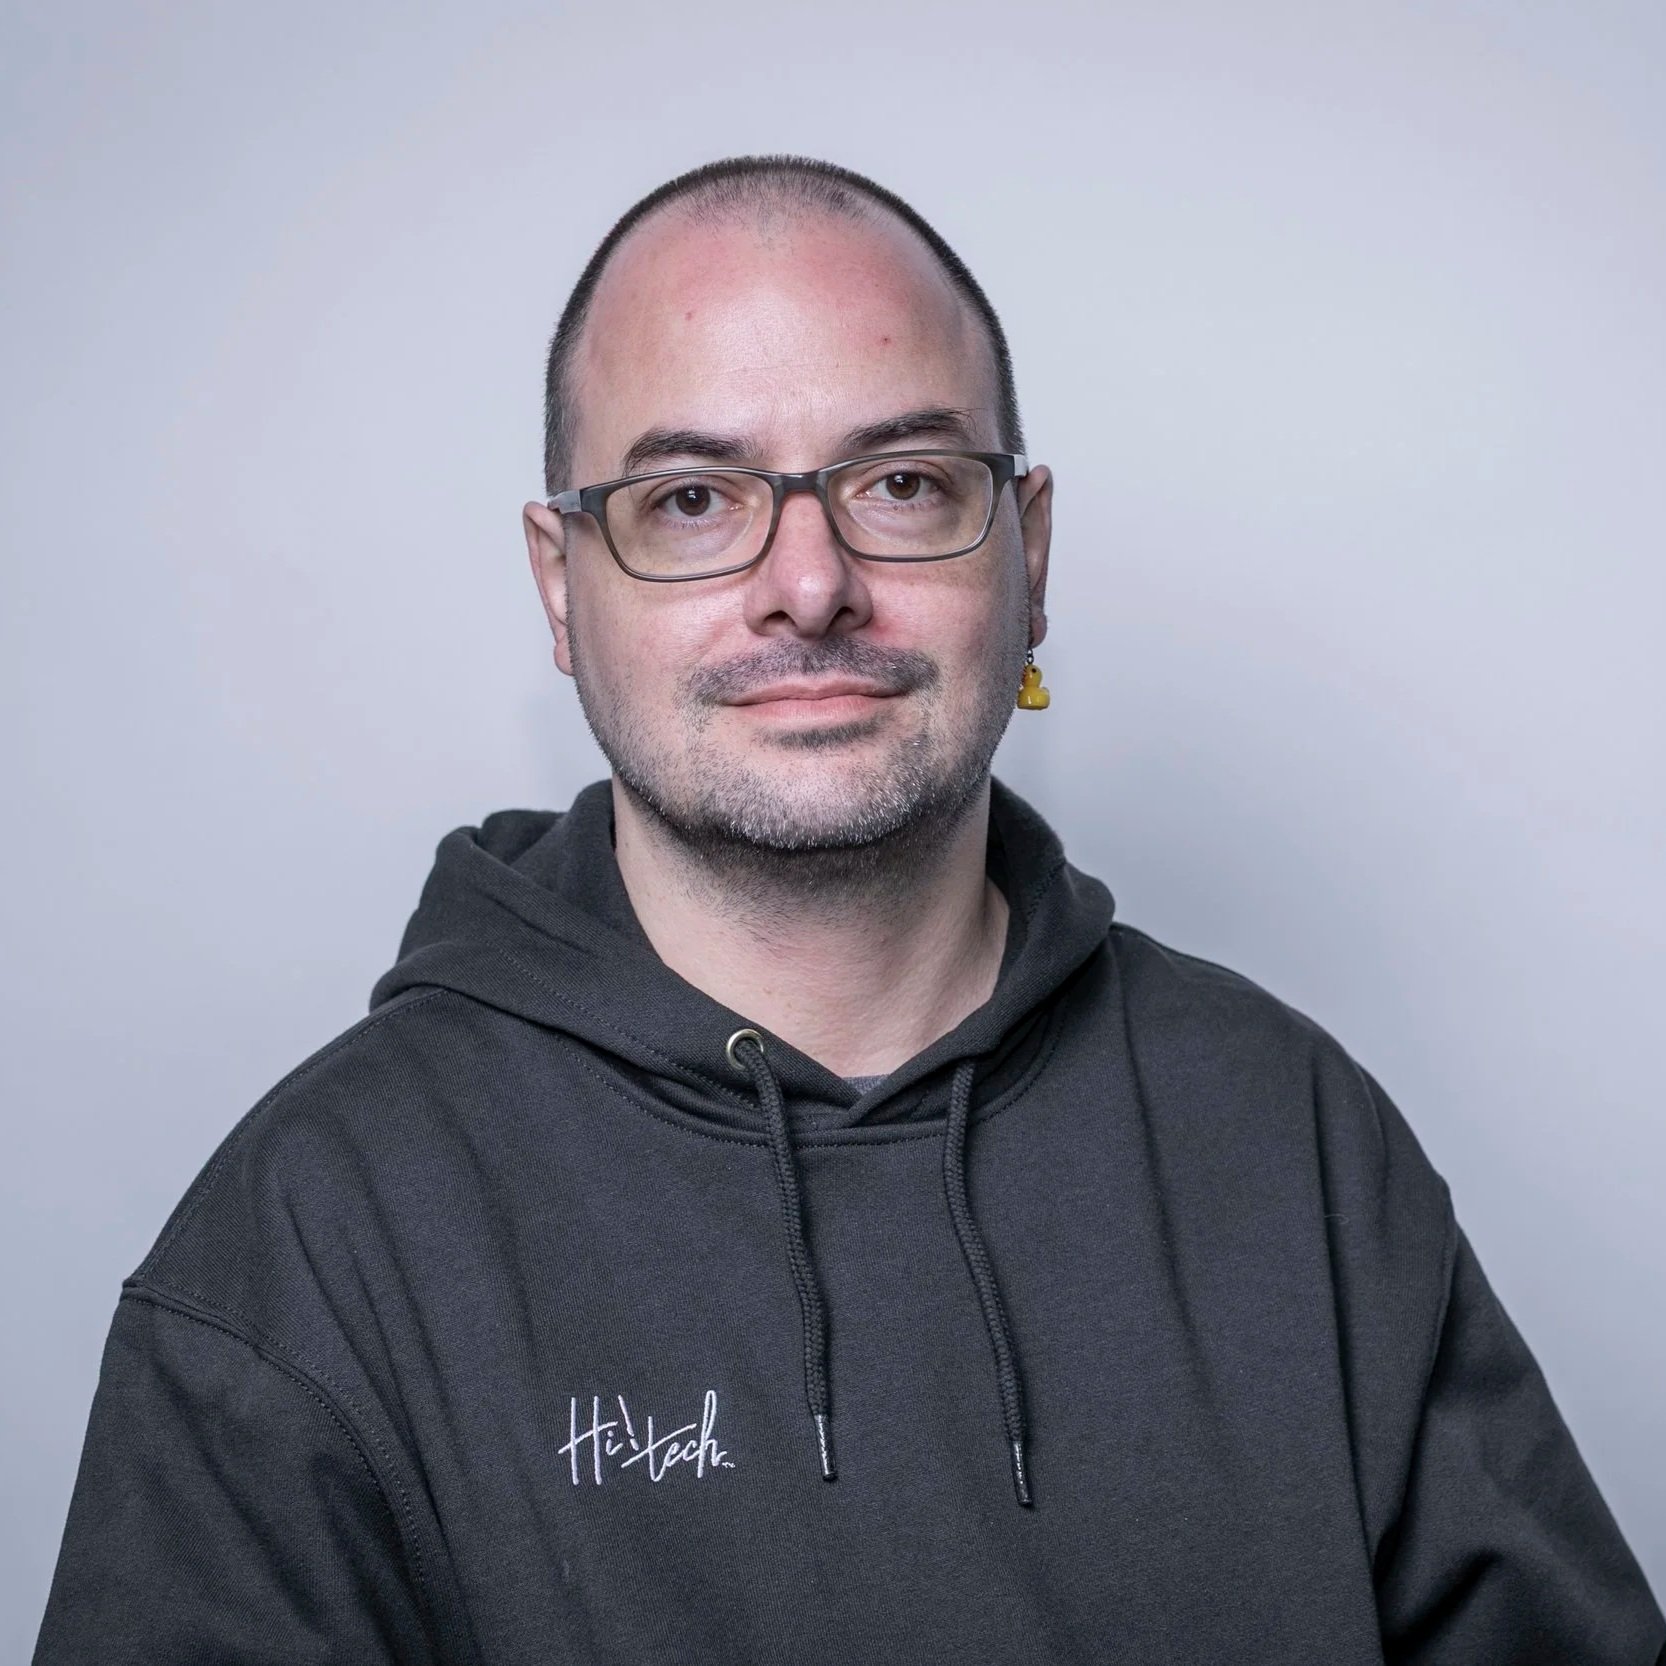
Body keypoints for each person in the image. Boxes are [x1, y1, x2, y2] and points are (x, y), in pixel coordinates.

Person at [33, 153, 1664, 1665]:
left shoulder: (1289, 1133)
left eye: (900, 481)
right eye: (690, 499)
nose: (808, 585)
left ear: (1026, 548)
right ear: (559, 583)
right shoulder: (317, 1229)